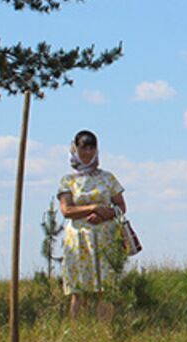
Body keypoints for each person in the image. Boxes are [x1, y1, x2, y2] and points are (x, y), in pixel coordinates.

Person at [56, 130, 131, 319]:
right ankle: (78, 332)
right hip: (79, 240)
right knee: (79, 288)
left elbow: (121, 205)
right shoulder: (68, 180)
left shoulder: (108, 178)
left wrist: (105, 215)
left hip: (105, 238)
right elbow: (67, 210)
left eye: (92, 147)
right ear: (76, 149)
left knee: (105, 287)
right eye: (84, 147)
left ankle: (105, 330)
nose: (88, 152)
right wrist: (94, 208)